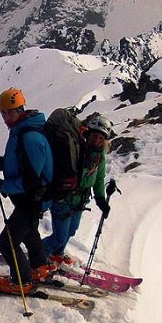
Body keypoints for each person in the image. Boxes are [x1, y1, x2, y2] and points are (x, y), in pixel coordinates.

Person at [0, 87, 54, 294]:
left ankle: (22, 282)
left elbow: (31, 180)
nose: (6, 117)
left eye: (9, 112)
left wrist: (2, 186)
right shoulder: (22, 130)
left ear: (20, 109)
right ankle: (40, 267)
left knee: (8, 243)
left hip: (32, 199)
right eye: (3, 113)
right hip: (29, 199)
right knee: (29, 231)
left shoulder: (30, 137)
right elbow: (20, 163)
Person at [42, 113, 112, 265]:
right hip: (64, 197)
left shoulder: (99, 157)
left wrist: (101, 199)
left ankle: (57, 254)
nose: (97, 140)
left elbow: (99, 179)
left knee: (71, 231)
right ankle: (38, 256)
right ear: (88, 134)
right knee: (60, 236)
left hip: (81, 200)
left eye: (101, 138)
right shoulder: (77, 149)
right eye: (95, 136)